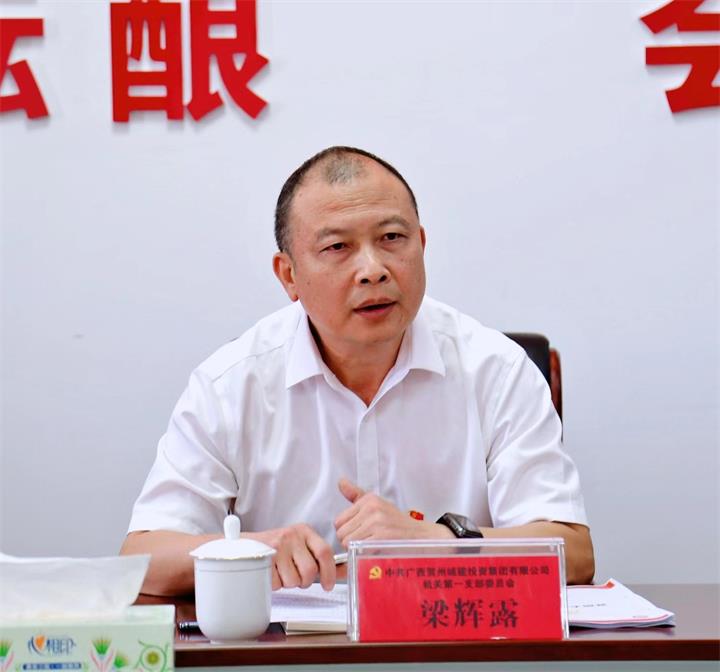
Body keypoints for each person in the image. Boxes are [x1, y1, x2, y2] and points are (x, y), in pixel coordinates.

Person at [121, 146, 595, 596]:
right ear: (288, 275)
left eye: (392, 238)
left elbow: (573, 554)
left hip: (451, 642)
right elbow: (142, 559)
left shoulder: (496, 369)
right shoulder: (231, 385)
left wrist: (437, 542)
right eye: (337, 247)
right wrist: (250, 551)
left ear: (421, 244)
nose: (373, 269)